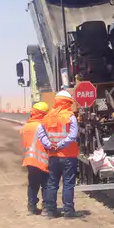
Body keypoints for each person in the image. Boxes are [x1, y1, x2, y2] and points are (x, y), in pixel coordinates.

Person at [37, 90, 80, 218]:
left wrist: (50, 145)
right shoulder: (70, 117)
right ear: (68, 103)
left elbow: (41, 134)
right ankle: (68, 211)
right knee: (68, 183)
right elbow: (73, 136)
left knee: (52, 183)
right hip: (68, 155)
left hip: (53, 156)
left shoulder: (47, 117)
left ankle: (49, 211)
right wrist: (61, 145)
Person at [20, 102, 50, 214]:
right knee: (46, 183)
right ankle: (46, 207)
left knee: (33, 184)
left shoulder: (27, 126)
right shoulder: (42, 126)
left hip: (30, 159)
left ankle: (31, 206)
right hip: (42, 159)